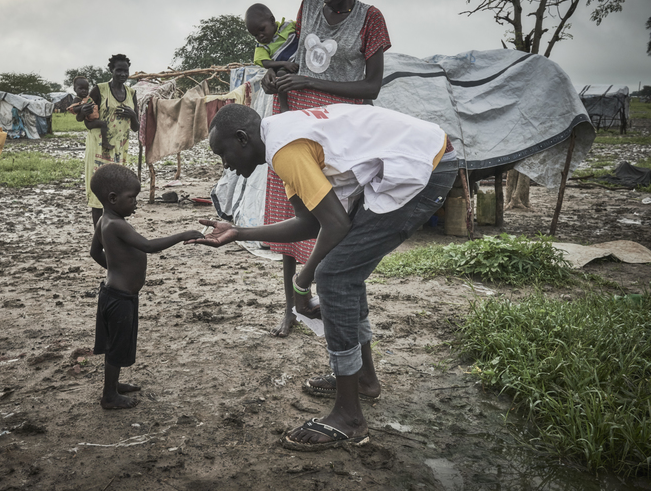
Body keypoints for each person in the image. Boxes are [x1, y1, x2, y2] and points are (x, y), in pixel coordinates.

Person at [193, 103, 457, 450]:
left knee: (335, 277)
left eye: (223, 153)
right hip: (423, 156)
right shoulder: (278, 142)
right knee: (342, 272)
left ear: (242, 139)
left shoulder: (285, 148)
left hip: (425, 167)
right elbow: (310, 222)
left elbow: (335, 224)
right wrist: (238, 232)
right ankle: (363, 379)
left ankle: (349, 418)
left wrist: (301, 284)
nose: (224, 164)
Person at [261, 0, 392, 338]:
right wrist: (278, 76)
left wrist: (310, 82)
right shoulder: (308, 6)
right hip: (296, 123)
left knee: (337, 221)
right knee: (295, 212)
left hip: (341, 134)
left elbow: (372, 87)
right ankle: (291, 308)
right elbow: (297, 58)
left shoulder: (370, 19)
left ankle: (334, 309)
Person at [89, 164, 202, 409]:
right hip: (120, 298)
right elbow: (148, 246)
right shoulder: (118, 225)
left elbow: (94, 252)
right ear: (112, 198)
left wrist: (114, 269)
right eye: (132, 198)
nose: (136, 203)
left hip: (112, 293)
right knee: (118, 346)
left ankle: (113, 385)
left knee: (114, 344)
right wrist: (183, 235)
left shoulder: (103, 221)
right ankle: (109, 396)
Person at [82, 54, 140, 229]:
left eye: (126, 71)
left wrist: (132, 115)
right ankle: (100, 237)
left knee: (118, 191)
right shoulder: (99, 90)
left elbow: (136, 127)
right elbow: (87, 121)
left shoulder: (131, 93)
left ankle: (114, 232)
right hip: (99, 148)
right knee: (99, 193)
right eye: (119, 70)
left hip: (120, 148)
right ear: (111, 71)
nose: (123, 74)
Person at [245, 3, 299, 74]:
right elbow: (266, 63)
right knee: (280, 74)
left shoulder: (289, 26)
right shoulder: (262, 46)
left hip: (304, 57)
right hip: (286, 68)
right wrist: (284, 64)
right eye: (255, 35)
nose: (260, 36)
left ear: (272, 21)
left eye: (262, 29)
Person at [67, 75, 111, 151]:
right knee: (104, 124)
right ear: (75, 89)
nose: (84, 91)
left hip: (93, 118)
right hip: (90, 122)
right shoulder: (77, 100)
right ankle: (105, 142)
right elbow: (74, 109)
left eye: (86, 89)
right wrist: (82, 107)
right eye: (81, 88)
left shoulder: (88, 98)